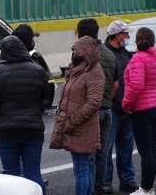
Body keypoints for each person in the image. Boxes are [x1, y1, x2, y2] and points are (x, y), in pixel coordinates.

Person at [0, 35, 50, 195]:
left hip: (6, 132)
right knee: (33, 173)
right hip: (33, 130)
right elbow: (45, 97)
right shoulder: (38, 70)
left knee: (12, 176)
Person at [50, 35, 105, 195]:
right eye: (73, 50)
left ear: (86, 52)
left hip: (83, 127)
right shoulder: (76, 70)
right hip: (77, 126)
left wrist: (72, 120)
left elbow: (94, 103)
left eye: (77, 51)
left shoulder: (94, 72)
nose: (74, 53)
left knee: (81, 169)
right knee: (83, 167)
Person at [77, 18, 119, 195]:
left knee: (89, 155)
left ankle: (92, 190)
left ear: (79, 35)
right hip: (106, 109)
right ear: (97, 33)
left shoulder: (81, 55)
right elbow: (116, 84)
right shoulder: (109, 54)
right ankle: (100, 188)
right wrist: (107, 99)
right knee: (102, 153)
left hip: (89, 110)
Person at [122, 27, 156, 195]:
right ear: (153, 40)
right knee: (152, 150)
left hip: (142, 109)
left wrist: (127, 103)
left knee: (145, 151)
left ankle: (145, 189)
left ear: (137, 40)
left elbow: (136, 85)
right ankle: (149, 187)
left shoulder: (137, 59)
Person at [104, 20, 139, 194]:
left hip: (127, 107)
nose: (128, 37)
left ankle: (127, 180)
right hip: (112, 108)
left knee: (126, 147)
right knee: (106, 148)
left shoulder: (125, 53)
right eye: (126, 34)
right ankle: (105, 182)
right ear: (118, 35)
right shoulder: (104, 54)